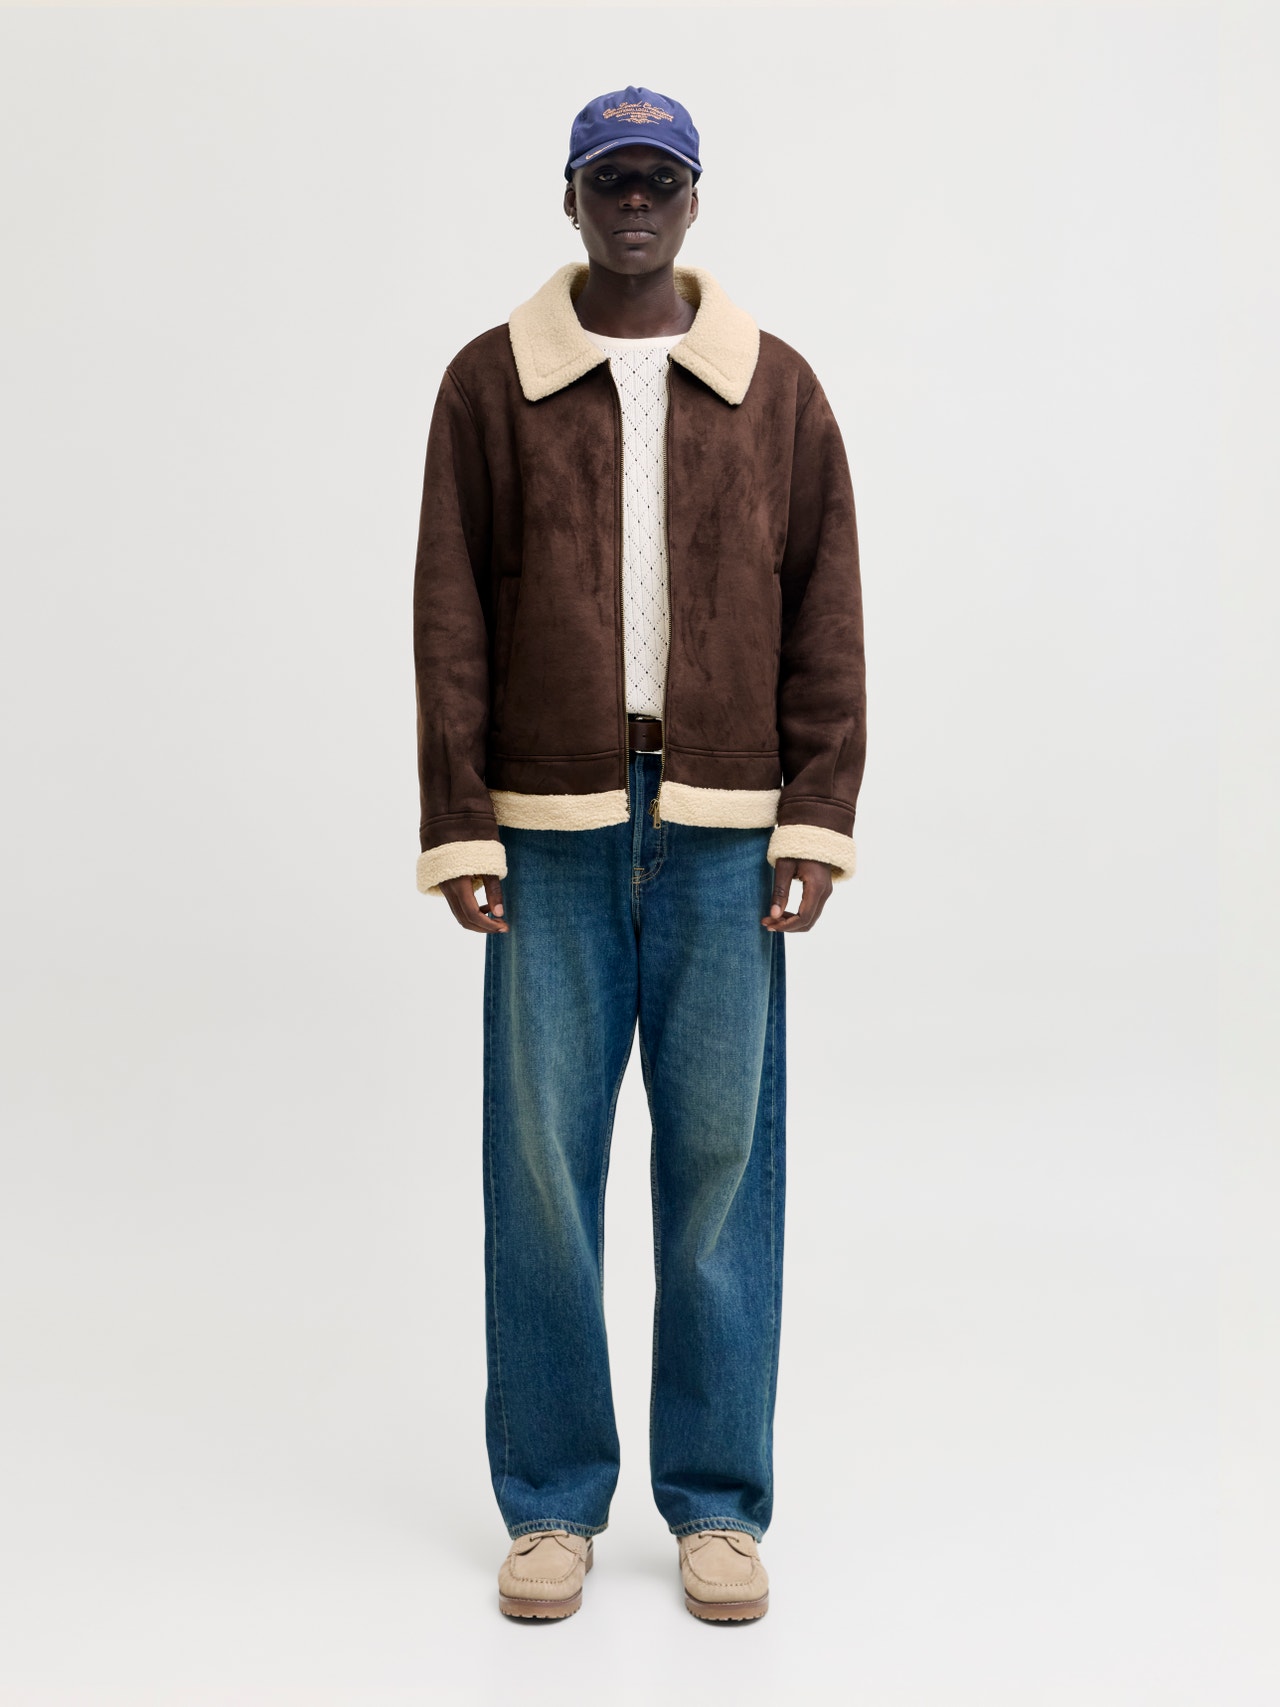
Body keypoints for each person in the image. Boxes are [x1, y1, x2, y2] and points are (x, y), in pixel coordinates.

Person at [411, 85, 866, 1622]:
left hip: (727, 832)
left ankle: (718, 1505)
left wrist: (818, 813)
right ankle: (550, 1501)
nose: (632, 202)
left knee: (725, 1165)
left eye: (657, 179)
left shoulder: (775, 390)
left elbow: (826, 607)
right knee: (542, 1168)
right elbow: (450, 613)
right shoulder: (491, 386)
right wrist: (459, 820)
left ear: (692, 200)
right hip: (550, 830)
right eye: (608, 178)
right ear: (569, 197)